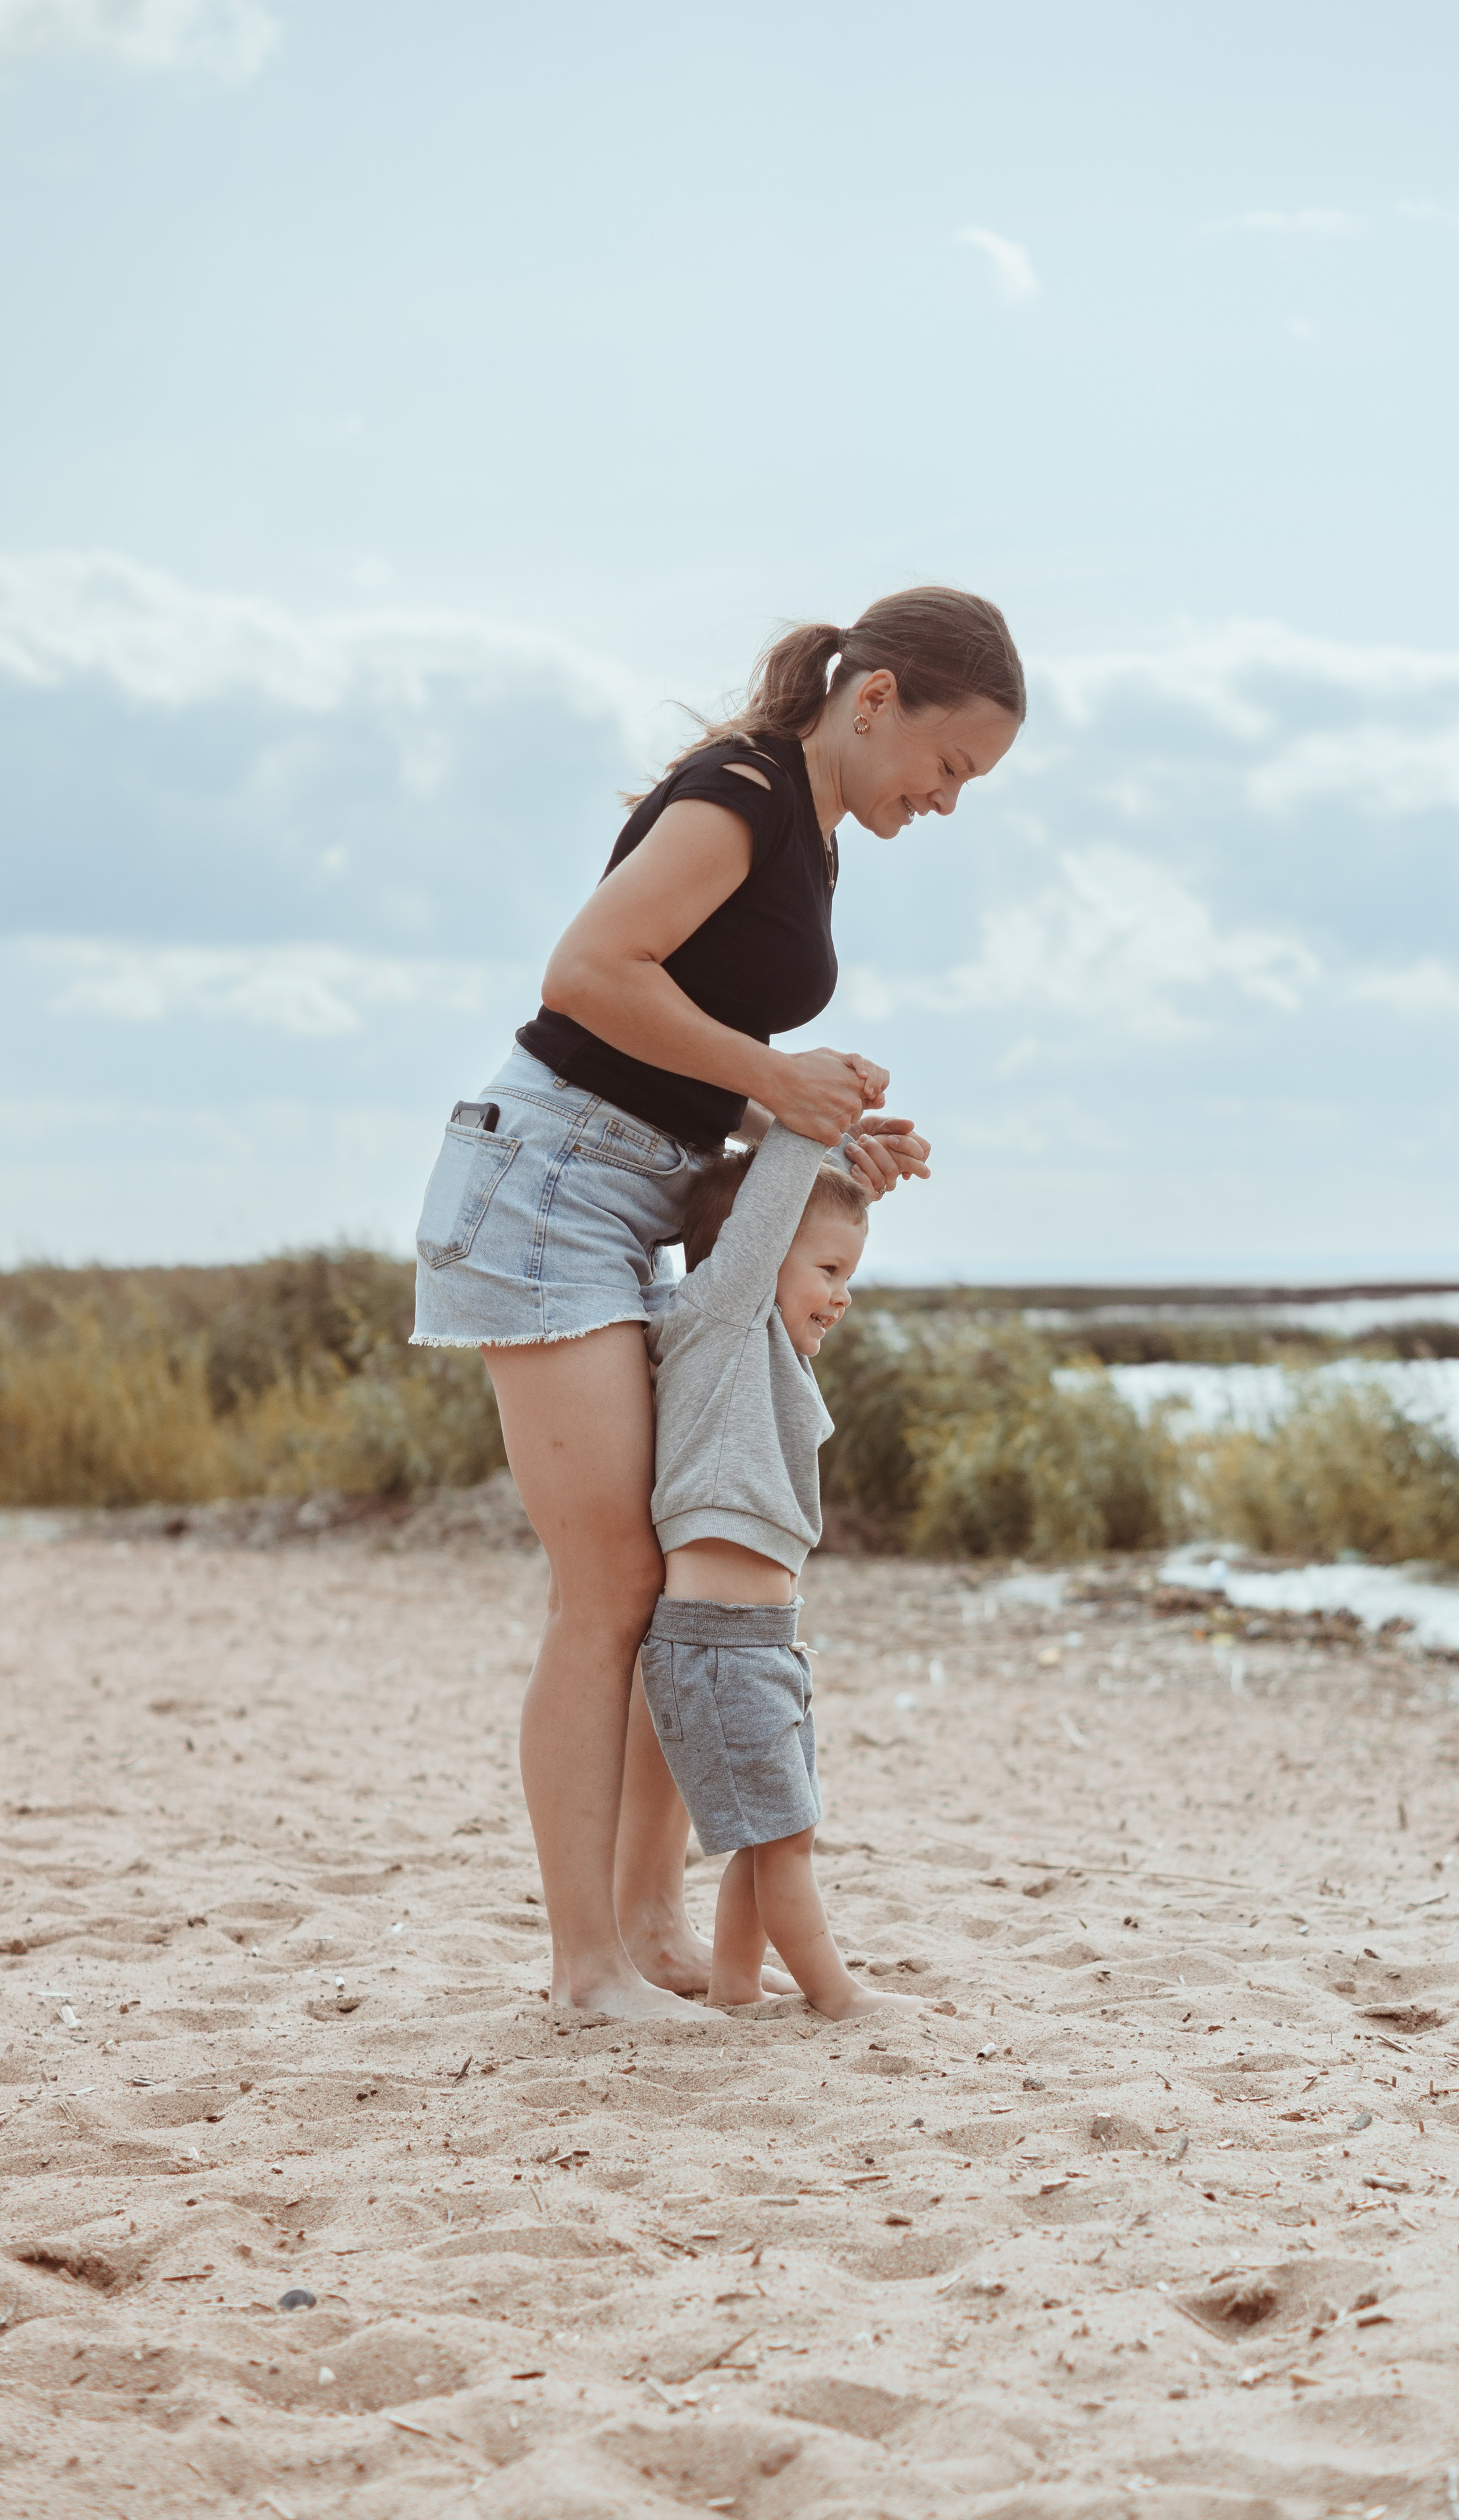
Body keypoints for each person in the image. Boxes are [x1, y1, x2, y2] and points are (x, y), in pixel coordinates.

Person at [412, 587, 1025, 2019]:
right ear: (876, 698)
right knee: (611, 1588)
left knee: (667, 1577)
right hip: (549, 1189)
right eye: (948, 765)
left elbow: (670, 1069)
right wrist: (776, 1079)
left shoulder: (812, 827)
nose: (948, 801)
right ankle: (585, 1969)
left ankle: (646, 1926)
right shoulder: (742, 790)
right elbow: (584, 976)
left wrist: (815, 1135)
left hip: (626, 1185)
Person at [641, 1124, 921, 2019]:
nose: (842, 1295)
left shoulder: (772, 1359)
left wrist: (853, 1175)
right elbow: (770, 1209)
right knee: (787, 1839)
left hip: (762, 1643)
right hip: (718, 1647)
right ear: (753, 1255)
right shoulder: (723, 1320)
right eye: (828, 1271)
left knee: (772, 1837)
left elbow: (802, 1215)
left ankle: (736, 1985)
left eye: (850, 1275)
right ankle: (837, 1994)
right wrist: (813, 1119)